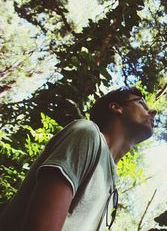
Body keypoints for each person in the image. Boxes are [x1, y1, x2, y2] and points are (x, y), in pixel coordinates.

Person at [0, 86, 156, 231]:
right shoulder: (87, 134)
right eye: (142, 104)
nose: (153, 112)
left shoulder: (112, 182)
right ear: (116, 107)